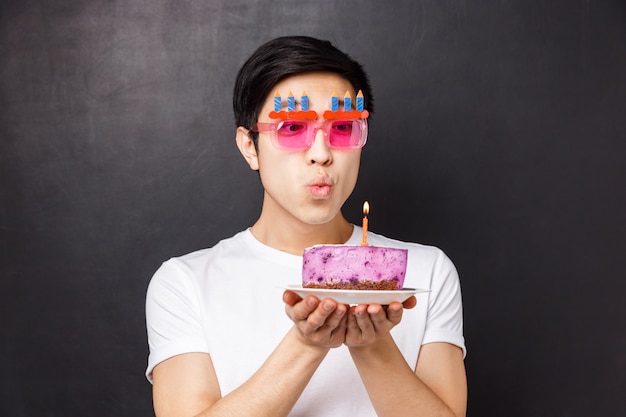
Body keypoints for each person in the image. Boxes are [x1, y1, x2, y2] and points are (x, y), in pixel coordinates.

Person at [145, 35, 467, 417]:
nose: (321, 154)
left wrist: (370, 343)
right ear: (250, 146)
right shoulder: (186, 283)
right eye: (293, 128)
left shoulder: (426, 272)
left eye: (343, 128)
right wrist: (307, 343)